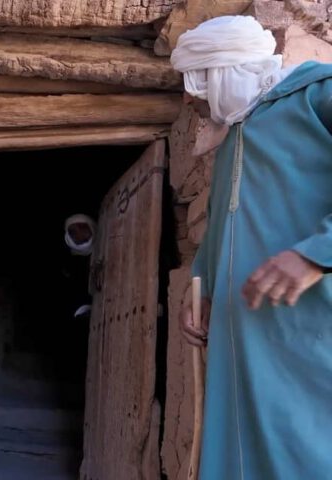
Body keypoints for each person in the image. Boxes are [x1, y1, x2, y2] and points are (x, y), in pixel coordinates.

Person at [172, 16, 332, 479]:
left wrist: (314, 254)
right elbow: (229, 220)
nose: (189, 99)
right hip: (242, 344)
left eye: (196, 84)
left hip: (302, 337)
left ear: (225, 72)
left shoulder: (316, 95)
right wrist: (198, 286)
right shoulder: (235, 137)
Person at [63, 214, 96, 318]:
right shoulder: (73, 268)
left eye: (82, 226)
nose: (79, 233)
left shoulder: (110, 238)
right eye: (73, 232)